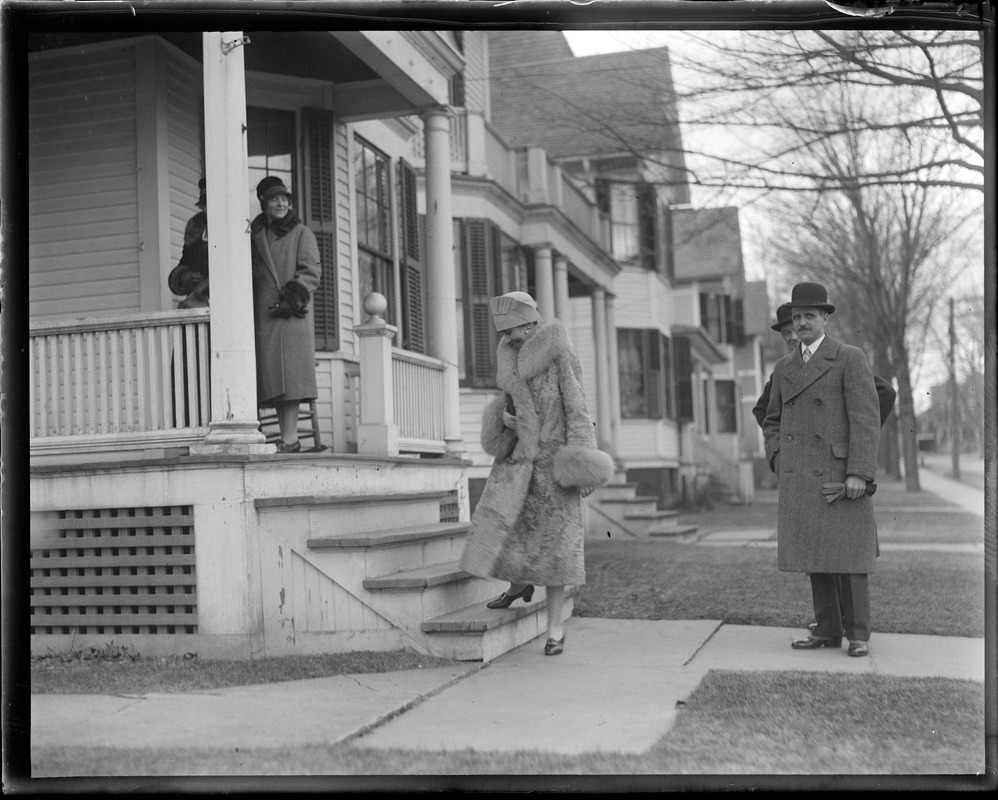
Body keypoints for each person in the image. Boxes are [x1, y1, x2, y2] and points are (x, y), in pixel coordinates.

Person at [459, 291, 614, 655]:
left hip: (552, 467)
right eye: (504, 332)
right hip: (517, 462)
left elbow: (577, 408)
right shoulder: (508, 354)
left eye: (512, 330)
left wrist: (581, 461)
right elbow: (511, 402)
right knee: (509, 530)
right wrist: (504, 418)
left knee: (557, 550)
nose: (507, 338)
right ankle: (517, 586)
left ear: (530, 325)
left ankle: (555, 630)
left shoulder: (560, 354)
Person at [755, 300, 898, 642]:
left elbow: (865, 419)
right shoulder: (784, 366)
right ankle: (828, 631)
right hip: (800, 474)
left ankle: (858, 635)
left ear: (825, 319)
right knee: (813, 556)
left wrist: (859, 469)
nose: (801, 324)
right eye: (797, 318)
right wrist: (779, 457)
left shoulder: (849, 357)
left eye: (809, 317)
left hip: (840, 474)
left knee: (850, 557)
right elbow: (770, 419)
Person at [250, 177, 322, 453]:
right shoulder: (257, 235)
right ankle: (285, 439)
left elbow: (311, 272)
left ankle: (290, 440)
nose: (281, 203)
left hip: (292, 315)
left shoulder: (301, 232)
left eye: (285, 199)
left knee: (290, 380)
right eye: (274, 199)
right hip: (266, 316)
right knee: (274, 379)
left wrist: (290, 300)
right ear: (263, 203)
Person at [754, 302, 897, 429]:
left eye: (795, 330)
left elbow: (885, 392)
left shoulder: (838, 360)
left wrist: (861, 433)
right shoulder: (782, 370)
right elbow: (762, 410)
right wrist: (782, 444)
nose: (793, 337)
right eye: (786, 333)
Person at [168, 178, 210, 308]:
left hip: (227, 301)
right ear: (202, 206)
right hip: (199, 300)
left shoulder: (234, 228)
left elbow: (249, 270)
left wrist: (211, 282)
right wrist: (184, 277)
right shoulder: (196, 230)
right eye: (207, 204)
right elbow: (186, 262)